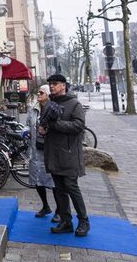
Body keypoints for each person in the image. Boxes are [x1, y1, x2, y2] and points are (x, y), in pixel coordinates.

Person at [42, 73, 90, 237]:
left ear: (63, 85)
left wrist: (55, 125)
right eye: (50, 84)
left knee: (71, 187)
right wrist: (43, 128)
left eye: (55, 84)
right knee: (60, 190)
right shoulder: (50, 104)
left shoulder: (74, 104)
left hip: (69, 154)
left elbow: (79, 126)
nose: (52, 87)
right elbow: (46, 125)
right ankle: (66, 221)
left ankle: (83, 221)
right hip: (54, 153)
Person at [26, 85, 57, 220]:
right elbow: (28, 124)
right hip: (35, 149)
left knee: (54, 182)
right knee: (37, 181)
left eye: (41, 92)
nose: (38, 94)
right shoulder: (33, 109)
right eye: (38, 92)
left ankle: (60, 211)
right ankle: (45, 206)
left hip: (50, 151)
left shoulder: (54, 109)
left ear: (48, 95)